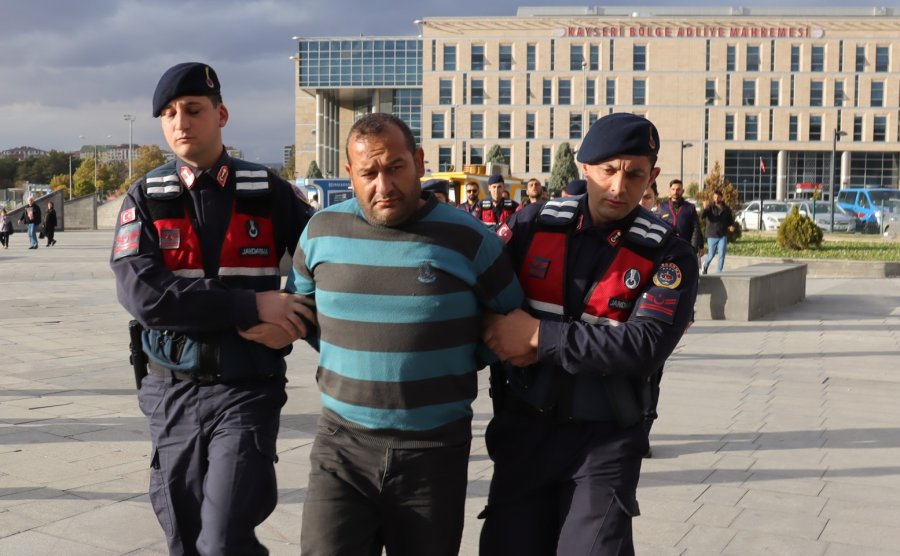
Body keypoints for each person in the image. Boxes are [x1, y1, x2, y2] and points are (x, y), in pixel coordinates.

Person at [269, 113, 523, 555]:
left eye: (395, 168)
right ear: (350, 173)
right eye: (368, 173)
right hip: (341, 448)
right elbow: (303, 311)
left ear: (419, 161)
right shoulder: (320, 231)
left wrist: (448, 352)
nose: (383, 186)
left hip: (434, 451)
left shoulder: (470, 239)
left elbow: (509, 325)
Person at [109, 62, 315, 556]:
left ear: (221, 114)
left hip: (246, 389)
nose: (181, 122)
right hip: (170, 391)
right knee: (184, 538)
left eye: (194, 110)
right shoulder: (145, 197)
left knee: (221, 539)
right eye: (170, 113)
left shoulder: (267, 191)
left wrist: (298, 319)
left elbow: (330, 262)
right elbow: (144, 296)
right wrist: (251, 304)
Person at [479, 112, 698, 555]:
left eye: (635, 175)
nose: (619, 187)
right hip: (524, 432)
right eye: (608, 171)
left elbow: (644, 347)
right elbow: (481, 300)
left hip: (605, 442)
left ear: (652, 176)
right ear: (584, 167)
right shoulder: (531, 224)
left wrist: (540, 336)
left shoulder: (669, 254)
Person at [658, 179, 702, 256]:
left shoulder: (690, 208)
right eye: (673, 189)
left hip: (685, 247)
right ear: (669, 190)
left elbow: (696, 228)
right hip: (666, 248)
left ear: (682, 191)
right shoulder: (662, 207)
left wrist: (693, 248)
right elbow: (658, 227)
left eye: (678, 189)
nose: (675, 192)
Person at [701, 189, 736, 274]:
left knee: (722, 255)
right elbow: (702, 216)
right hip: (712, 234)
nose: (716, 199)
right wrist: (705, 208)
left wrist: (731, 226)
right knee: (711, 254)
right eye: (715, 197)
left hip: (723, 235)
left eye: (718, 197)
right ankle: (705, 266)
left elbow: (730, 220)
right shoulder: (710, 207)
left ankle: (719, 272)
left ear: (721, 197)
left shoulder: (726, 209)